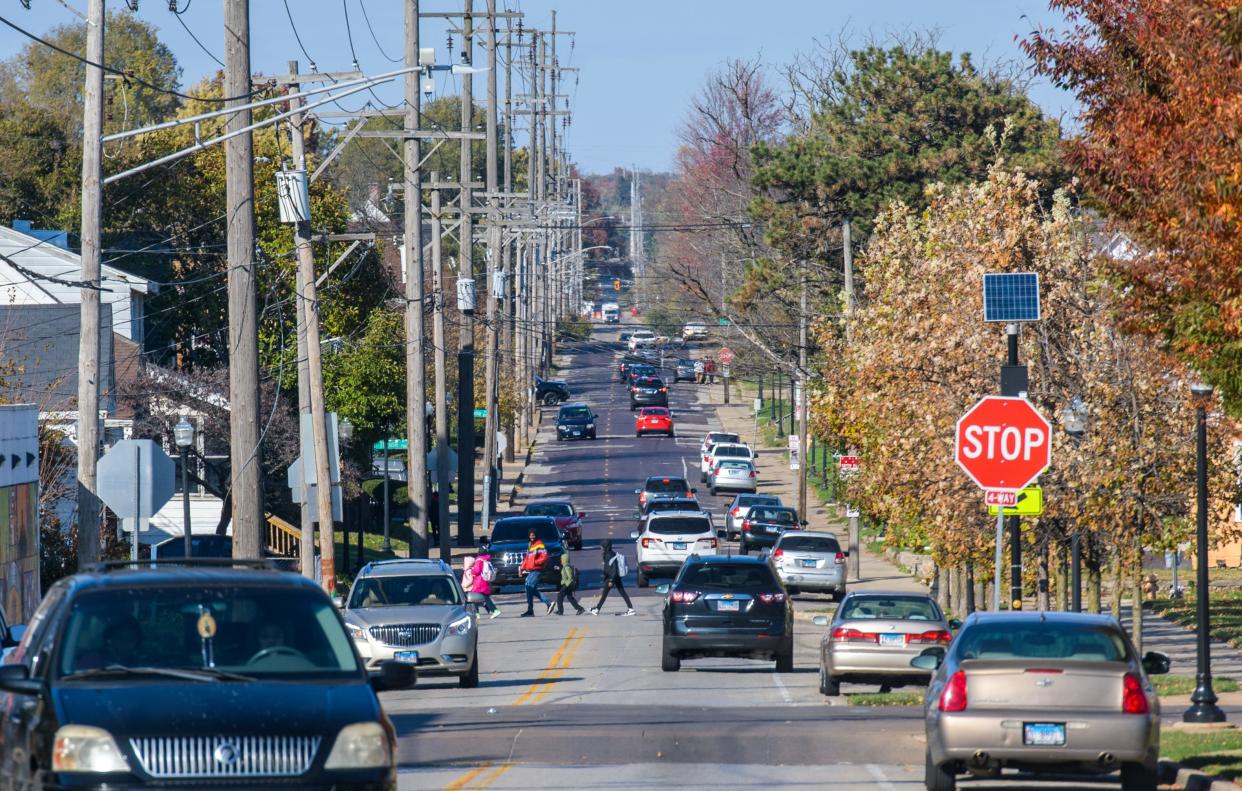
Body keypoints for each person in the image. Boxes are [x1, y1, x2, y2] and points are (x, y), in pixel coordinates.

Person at [589, 540, 635, 616]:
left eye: (602, 546)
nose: (601, 547)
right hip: (615, 577)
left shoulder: (609, 555)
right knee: (622, 592)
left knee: (604, 594)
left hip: (612, 577)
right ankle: (631, 608)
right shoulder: (608, 554)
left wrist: (611, 580)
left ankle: (597, 609)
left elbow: (614, 568)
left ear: (606, 546)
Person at [519, 529, 551, 617]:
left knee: (528, 587)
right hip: (531, 570)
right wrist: (521, 568)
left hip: (537, 569)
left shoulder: (539, 544)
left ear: (536, 535)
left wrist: (535, 562)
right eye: (530, 535)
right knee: (531, 589)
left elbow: (545, 556)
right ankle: (546, 604)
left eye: (533, 535)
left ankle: (532, 609)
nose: (532, 537)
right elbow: (527, 558)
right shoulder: (530, 545)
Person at [464, 545, 500, 619]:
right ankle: (492, 610)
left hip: (479, 582)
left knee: (474, 597)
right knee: (485, 597)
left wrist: (471, 571)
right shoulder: (486, 560)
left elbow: (477, 571)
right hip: (485, 580)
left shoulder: (479, 560)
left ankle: (478, 613)